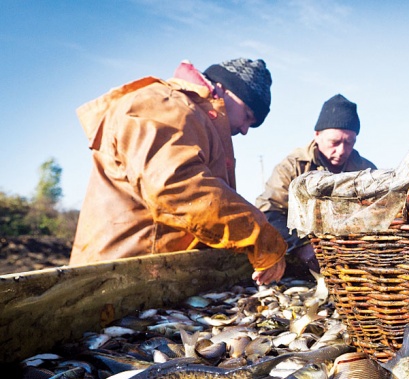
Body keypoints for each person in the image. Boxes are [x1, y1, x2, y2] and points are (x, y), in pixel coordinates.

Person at [70, 57, 286, 285]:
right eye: (248, 117)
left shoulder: (193, 117)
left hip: (148, 274)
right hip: (118, 277)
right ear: (224, 89)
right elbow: (175, 187)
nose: (244, 130)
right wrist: (257, 233)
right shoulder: (165, 104)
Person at [256, 94, 377, 276]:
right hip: (302, 254)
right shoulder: (292, 167)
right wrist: (301, 246)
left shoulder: (366, 171)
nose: (342, 151)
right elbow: (268, 211)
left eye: (349, 143)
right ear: (317, 135)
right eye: (334, 142)